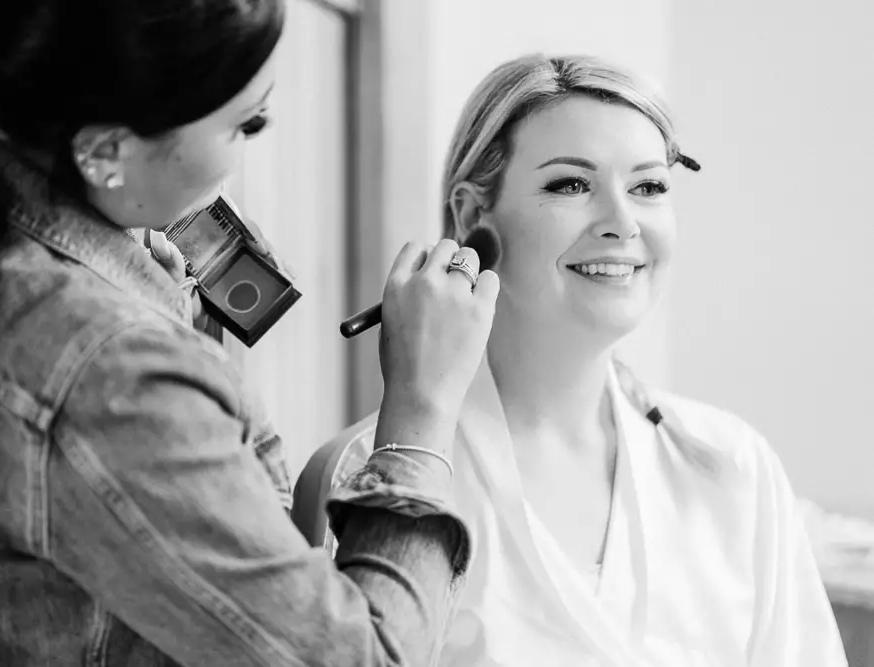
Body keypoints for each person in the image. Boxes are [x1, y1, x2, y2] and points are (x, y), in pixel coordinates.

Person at [0, 1, 501, 665]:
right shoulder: (109, 367)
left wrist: (178, 339)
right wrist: (419, 409)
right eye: (246, 123)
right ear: (105, 150)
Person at [326, 53, 848, 666]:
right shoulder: (367, 479)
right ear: (472, 218)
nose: (622, 223)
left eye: (648, 187)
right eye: (570, 184)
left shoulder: (735, 468)